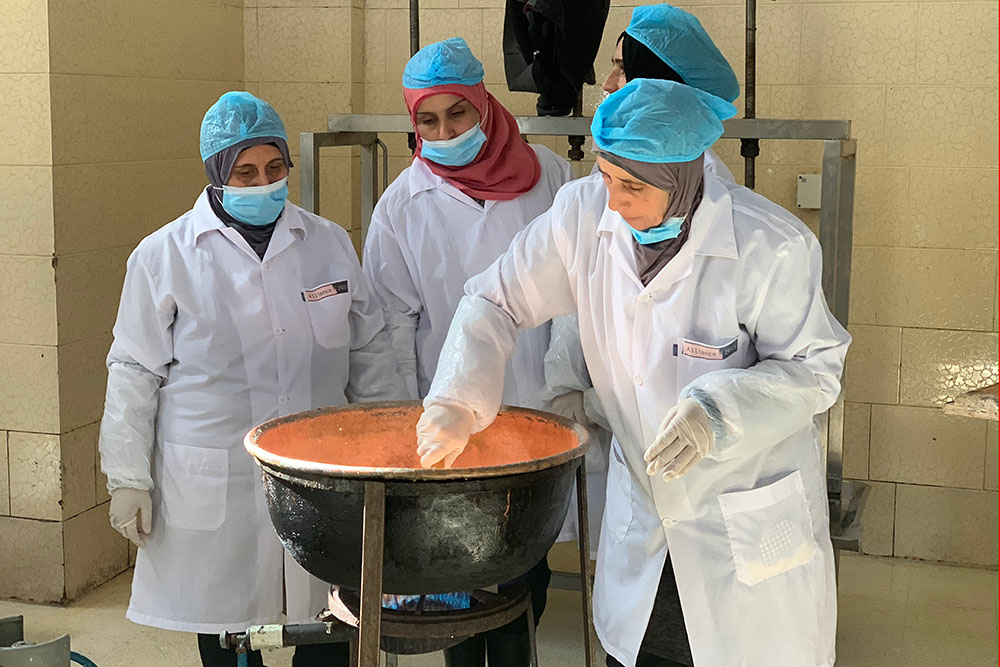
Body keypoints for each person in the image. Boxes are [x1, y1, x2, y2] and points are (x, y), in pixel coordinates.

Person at [414, 79, 850, 667]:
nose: (614, 202)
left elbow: (814, 370)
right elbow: (494, 300)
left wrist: (717, 412)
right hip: (645, 519)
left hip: (741, 516)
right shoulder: (581, 214)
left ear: (684, 178)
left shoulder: (769, 246)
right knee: (645, 650)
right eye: (605, 175)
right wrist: (456, 401)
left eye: (634, 186)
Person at [99, 91, 404, 667]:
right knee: (229, 640)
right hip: (217, 481)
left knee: (332, 632)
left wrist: (390, 454)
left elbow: (370, 353)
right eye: (245, 172)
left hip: (320, 475)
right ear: (215, 173)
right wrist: (127, 478)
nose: (263, 183)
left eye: (274, 168)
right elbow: (133, 372)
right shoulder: (163, 256)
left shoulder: (329, 242)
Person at [362, 37, 573, 667]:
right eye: (427, 120)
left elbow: (578, 292)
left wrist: (567, 384)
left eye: (457, 113)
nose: (445, 130)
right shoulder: (402, 204)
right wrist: (403, 416)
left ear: (484, 103)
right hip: (446, 411)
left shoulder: (551, 177)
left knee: (525, 561)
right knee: (461, 569)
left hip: (537, 398)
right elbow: (388, 325)